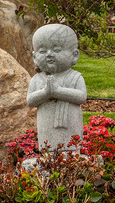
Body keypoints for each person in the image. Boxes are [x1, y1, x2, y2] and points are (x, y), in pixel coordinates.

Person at [27, 24, 87, 152]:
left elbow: (81, 96)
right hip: (46, 126)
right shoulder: (37, 79)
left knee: (72, 148)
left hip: (70, 124)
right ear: (34, 57)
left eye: (57, 50)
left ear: (74, 55)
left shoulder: (75, 77)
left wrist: (58, 92)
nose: (49, 55)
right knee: (48, 148)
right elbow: (30, 100)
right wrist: (46, 93)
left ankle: (72, 155)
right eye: (42, 51)